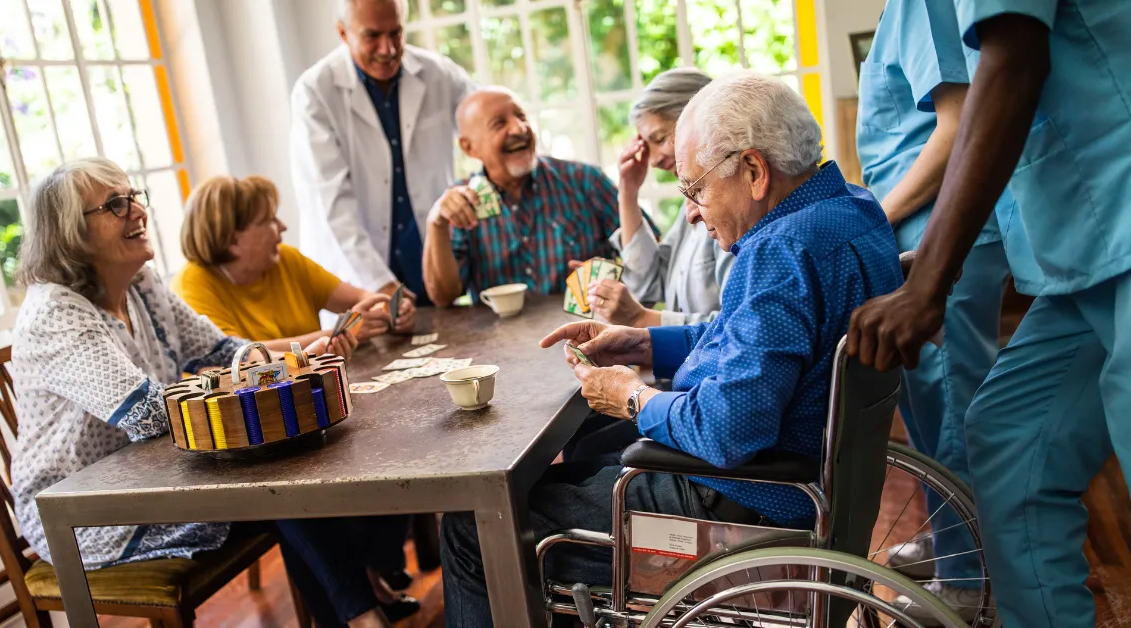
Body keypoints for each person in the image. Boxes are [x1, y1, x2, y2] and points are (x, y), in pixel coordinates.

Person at [439, 73, 903, 627]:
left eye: (695, 189)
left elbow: (727, 431)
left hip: (744, 501)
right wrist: (640, 342)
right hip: (816, 481)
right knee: (585, 457)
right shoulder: (852, 209)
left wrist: (633, 397)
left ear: (754, 171)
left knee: (472, 528)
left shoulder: (779, 250)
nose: (690, 212)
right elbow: (748, 336)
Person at [10, 158, 409, 628]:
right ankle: (362, 617)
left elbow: (221, 351)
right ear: (69, 233)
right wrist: (259, 374)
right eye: (116, 205)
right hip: (88, 512)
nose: (138, 211)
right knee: (278, 486)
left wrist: (290, 359)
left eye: (133, 196)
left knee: (293, 481)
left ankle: (356, 618)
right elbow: (148, 416)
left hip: (159, 476)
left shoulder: (141, 283)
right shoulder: (54, 315)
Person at [845, 0, 1131, 624]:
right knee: (1007, 436)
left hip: (1119, 213)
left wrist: (929, 278)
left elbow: (1012, 59)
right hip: (1080, 253)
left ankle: (966, 583)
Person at [854, 0, 1011, 618]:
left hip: (936, 235)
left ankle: (967, 582)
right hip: (918, 232)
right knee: (927, 408)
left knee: (951, 412)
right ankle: (954, 543)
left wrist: (876, 219)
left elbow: (957, 128)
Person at [290, 0, 474, 305]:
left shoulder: (439, 73)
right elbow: (332, 204)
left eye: (396, 33)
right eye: (372, 36)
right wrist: (381, 285)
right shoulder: (315, 91)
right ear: (343, 33)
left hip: (425, 258)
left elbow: (484, 124)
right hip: (356, 268)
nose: (387, 49)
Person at [422, 87, 627, 307]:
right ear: (469, 147)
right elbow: (443, 297)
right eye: (499, 123)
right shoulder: (461, 203)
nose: (519, 128)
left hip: (586, 333)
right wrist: (436, 223)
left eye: (521, 116)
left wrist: (616, 279)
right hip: (499, 339)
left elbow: (650, 258)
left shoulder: (586, 180)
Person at [173, 175, 415, 353]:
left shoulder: (284, 259)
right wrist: (340, 333)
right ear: (232, 240)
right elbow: (240, 356)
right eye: (269, 220)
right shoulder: (192, 284)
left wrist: (389, 310)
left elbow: (360, 298)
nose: (282, 227)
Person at [592, 67, 735, 327]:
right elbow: (650, 282)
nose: (654, 160)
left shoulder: (735, 206)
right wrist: (628, 191)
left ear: (699, 120)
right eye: (646, 146)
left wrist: (641, 318)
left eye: (658, 139)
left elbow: (734, 327)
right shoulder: (691, 201)